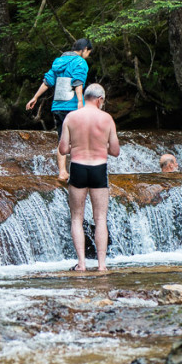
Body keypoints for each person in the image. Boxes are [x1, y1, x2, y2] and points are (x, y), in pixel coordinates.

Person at [58, 83, 120, 271]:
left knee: (77, 217)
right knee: (100, 218)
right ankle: (102, 265)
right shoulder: (107, 119)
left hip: (78, 167)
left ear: (85, 97)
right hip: (98, 169)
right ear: (100, 99)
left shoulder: (71, 117)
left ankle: (82, 264)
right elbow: (115, 151)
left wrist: (75, 147)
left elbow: (62, 149)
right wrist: (101, 146)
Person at [25, 39, 93, 181]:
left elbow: (47, 81)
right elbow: (78, 82)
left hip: (58, 107)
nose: (88, 55)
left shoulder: (58, 62)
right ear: (84, 49)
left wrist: (35, 97)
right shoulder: (80, 62)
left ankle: (62, 172)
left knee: (63, 139)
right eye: (88, 52)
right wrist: (80, 101)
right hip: (73, 107)